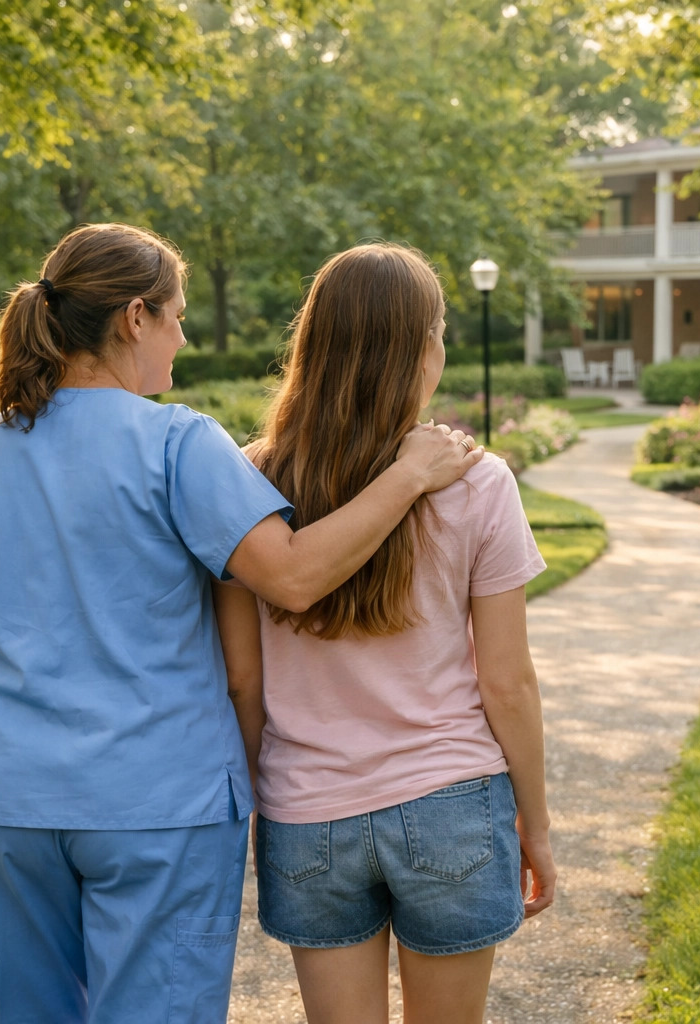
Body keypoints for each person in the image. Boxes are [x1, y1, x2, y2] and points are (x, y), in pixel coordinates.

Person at [0, 224, 483, 1024]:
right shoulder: (179, 443)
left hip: (2, 800)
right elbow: (289, 579)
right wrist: (409, 474)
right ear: (134, 318)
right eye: (177, 317)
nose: (184, 337)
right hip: (159, 803)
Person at [216, 242, 556, 1024]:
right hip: (452, 800)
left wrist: (250, 813)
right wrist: (533, 822)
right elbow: (507, 682)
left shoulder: (249, 478)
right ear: (418, 349)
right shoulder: (478, 481)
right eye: (437, 329)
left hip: (307, 812)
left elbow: (243, 681)